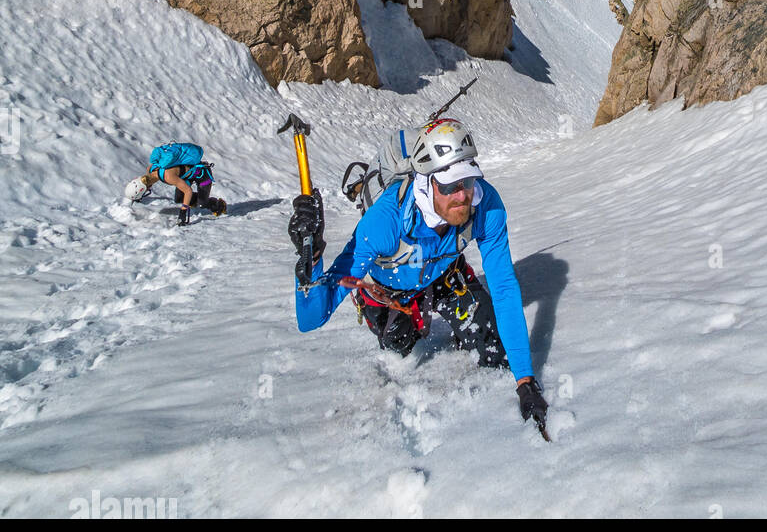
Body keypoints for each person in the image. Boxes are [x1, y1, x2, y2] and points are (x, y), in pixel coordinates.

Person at [287, 117, 548, 433]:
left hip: (444, 274)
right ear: (428, 182)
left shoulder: (486, 204)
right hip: (386, 289)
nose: (462, 195)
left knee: (493, 348)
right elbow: (311, 317)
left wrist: (525, 383)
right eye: (450, 186)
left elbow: (504, 286)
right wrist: (310, 257)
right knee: (402, 348)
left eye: (467, 181)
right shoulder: (386, 221)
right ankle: (380, 311)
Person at [126, 142, 226, 225]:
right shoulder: (150, 170)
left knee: (202, 203)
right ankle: (196, 201)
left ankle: (218, 205)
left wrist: (183, 211)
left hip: (202, 175)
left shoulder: (168, 177)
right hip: (189, 176)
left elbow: (188, 191)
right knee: (179, 199)